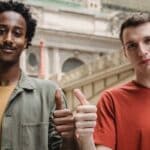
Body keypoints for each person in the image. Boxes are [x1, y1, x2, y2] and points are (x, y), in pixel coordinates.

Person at [0, 0, 77, 149]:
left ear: (26, 41)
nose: (8, 39)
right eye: (1, 31)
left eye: (17, 33)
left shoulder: (49, 94)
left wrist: (69, 138)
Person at [93, 13, 150, 150]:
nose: (142, 52)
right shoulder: (111, 100)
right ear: (124, 53)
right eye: (132, 46)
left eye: (148, 41)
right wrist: (83, 139)